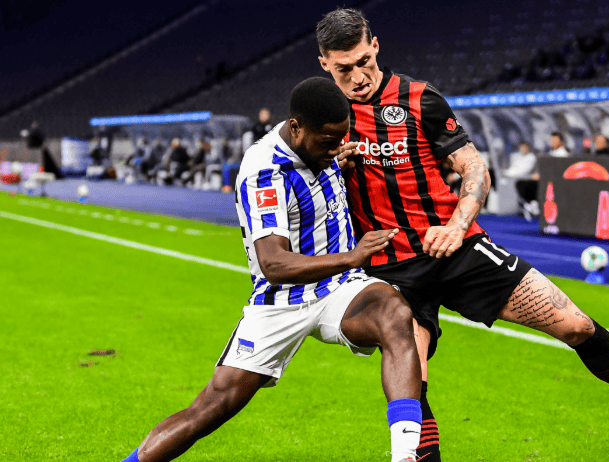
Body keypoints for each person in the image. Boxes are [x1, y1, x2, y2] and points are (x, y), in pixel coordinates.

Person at [317, 8, 609, 461]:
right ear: (325, 64)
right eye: (344, 69)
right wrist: (330, 168)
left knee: (576, 323)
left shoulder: (418, 98)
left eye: (363, 62)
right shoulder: (322, 116)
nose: (358, 77)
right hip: (389, 269)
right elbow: (300, 187)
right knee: (411, 377)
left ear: (375, 47)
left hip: (456, 248)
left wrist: (457, 225)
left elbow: (474, 166)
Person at [119, 78, 424, 462]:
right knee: (209, 409)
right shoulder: (265, 172)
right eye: (328, 142)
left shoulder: (319, 149)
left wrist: (338, 165)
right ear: (296, 128)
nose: (336, 148)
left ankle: (405, 455)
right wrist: (352, 256)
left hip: (339, 288)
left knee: (395, 314)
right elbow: (274, 263)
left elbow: (320, 182)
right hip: (282, 300)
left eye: (340, 140)